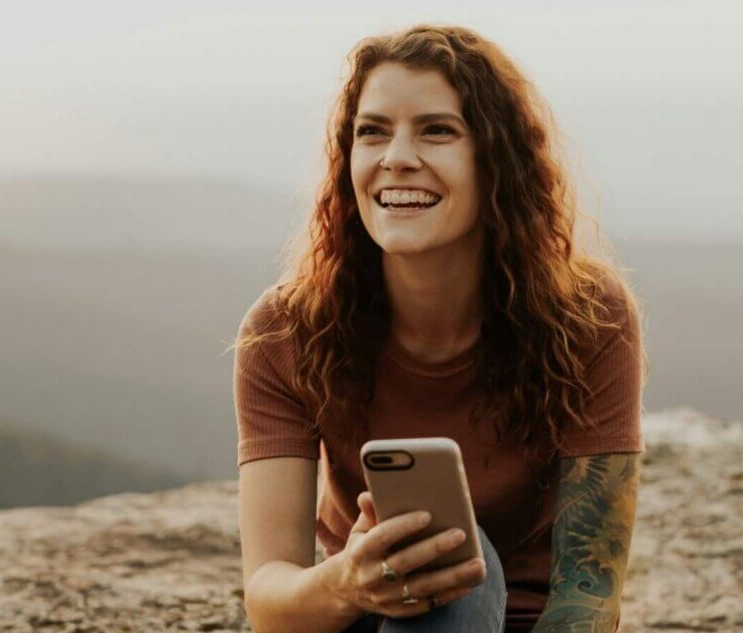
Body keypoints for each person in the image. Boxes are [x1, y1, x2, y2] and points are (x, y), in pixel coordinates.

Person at [232, 23, 647, 633]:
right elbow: (270, 601)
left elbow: (588, 594)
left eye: (437, 130)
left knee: (455, 554)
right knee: (427, 548)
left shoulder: (588, 316)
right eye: (372, 132)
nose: (396, 157)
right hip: (361, 615)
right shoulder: (285, 332)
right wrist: (346, 580)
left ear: (496, 159)